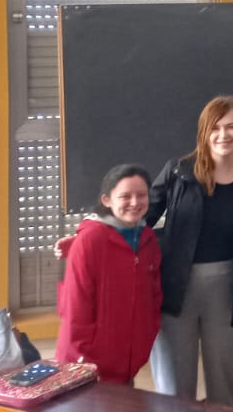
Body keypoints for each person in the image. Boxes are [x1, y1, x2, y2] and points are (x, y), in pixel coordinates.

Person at [145, 96, 233, 406]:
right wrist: (90, 234)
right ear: (203, 132)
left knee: (224, 386)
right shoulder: (178, 172)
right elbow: (139, 218)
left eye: (231, 126)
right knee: (174, 389)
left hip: (229, 291)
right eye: (214, 127)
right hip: (175, 288)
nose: (223, 134)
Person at [55, 164, 161, 385]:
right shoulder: (90, 240)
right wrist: (84, 357)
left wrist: (146, 336)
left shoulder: (147, 239)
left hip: (127, 361)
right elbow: (76, 306)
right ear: (106, 200)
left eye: (141, 195)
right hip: (86, 366)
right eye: (125, 196)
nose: (135, 202)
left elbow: (153, 295)